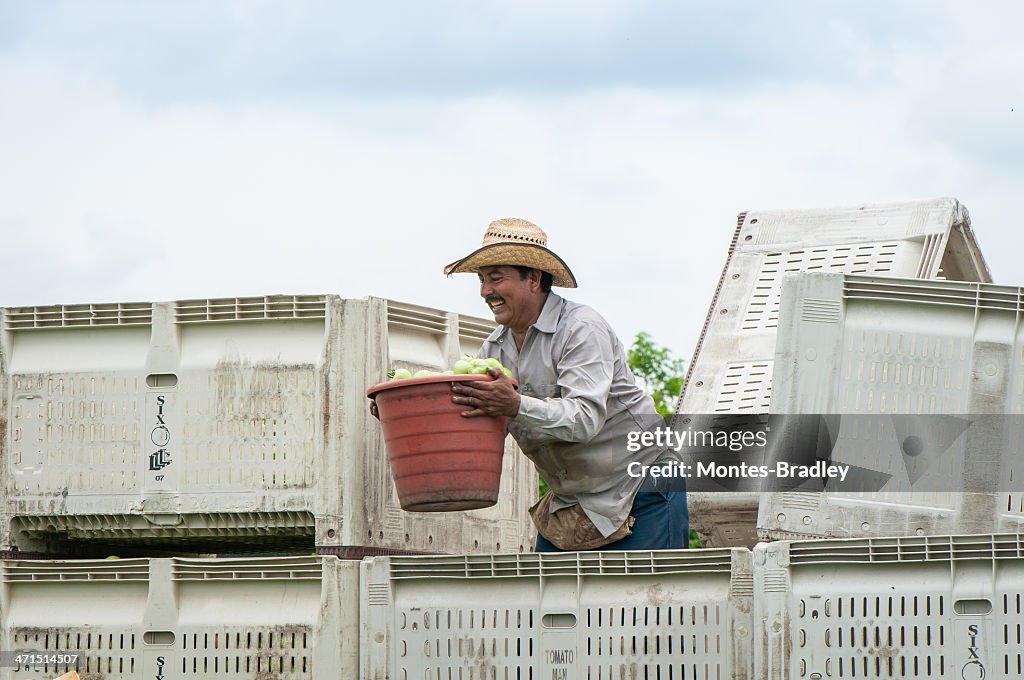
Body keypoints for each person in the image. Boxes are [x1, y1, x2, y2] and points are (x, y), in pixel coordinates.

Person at [444, 217, 688, 551]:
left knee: (646, 601)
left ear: (533, 279)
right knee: (552, 604)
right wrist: (411, 412)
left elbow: (584, 419)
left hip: (640, 490)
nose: (486, 291)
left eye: (496, 278)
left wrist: (515, 405)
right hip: (572, 503)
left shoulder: (581, 329)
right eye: (482, 280)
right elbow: (479, 427)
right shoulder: (494, 350)